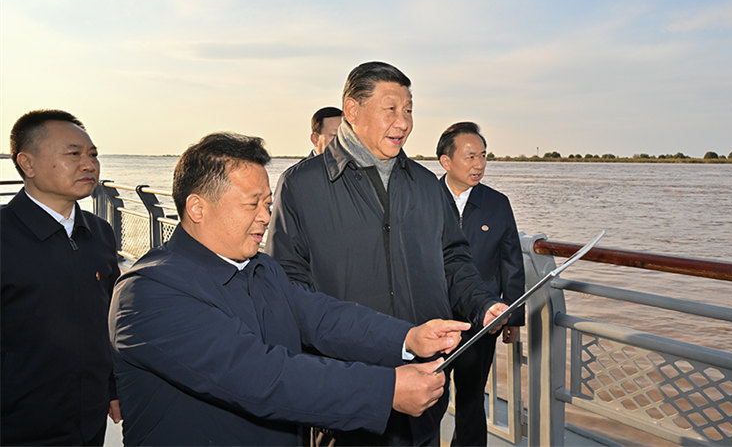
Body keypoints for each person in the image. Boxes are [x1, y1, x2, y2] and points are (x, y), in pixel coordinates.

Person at [108, 131, 470, 446]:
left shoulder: (261, 268)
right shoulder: (148, 294)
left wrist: (409, 338)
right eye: (252, 204)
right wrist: (385, 390)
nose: (266, 216)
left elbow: (323, 317)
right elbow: (264, 377)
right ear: (197, 208)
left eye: (267, 203)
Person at [265, 61, 509, 446]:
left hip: (426, 379)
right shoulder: (301, 185)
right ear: (352, 110)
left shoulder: (428, 186)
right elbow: (287, 285)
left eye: (409, 109)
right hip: (349, 388)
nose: (404, 122)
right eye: (391, 108)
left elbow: (453, 259)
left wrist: (483, 305)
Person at [1, 109, 121, 445]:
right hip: (18, 425)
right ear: (28, 164)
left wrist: (112, 386)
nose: (89, 165)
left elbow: (108, 319)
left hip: (89, 419)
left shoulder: (100, 233)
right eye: (73, 154)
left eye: (93, 154)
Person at [436, 121, 526, 447]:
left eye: (484, 156)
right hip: (432, 318)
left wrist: (513, 318)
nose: (479, 165)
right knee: (429, 399)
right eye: (471, 156)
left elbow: (512, 262)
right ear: (446, 161)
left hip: (481, 321)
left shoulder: (497, 203)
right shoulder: (423, 200)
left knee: (472, 401)